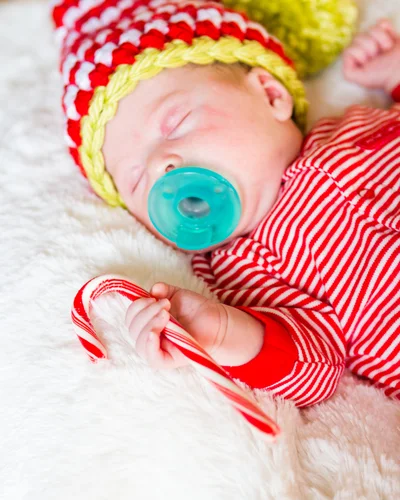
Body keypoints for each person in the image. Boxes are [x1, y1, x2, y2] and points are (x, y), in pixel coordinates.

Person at [52, 0, 400, 405]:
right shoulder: (242, 275)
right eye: (135, 179)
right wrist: (219, 332)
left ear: (270, 94)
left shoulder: (356, 131)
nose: (159, 166)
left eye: (175, 123)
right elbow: (317, 368)